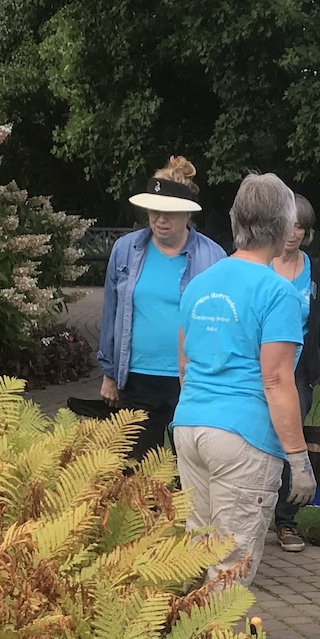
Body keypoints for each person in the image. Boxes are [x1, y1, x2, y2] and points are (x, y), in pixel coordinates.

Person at [172, 172, 316, 584]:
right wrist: (300, 461)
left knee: (196, 551)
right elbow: (276, 382)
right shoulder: (279, 293)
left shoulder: (199, 284)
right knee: (230, 567)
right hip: (243, 438)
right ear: (285, 227)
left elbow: (184, 367)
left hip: (190, 427)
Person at [97, 156, 225, 456]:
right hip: (137, 381)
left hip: (192, 382)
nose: (160, 220)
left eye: (168, 212)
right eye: (154, 211)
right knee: (138, 478)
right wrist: (109, 374)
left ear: (186, 214)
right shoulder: (125, 251)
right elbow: (111, 312)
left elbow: (222, 325)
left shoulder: (214, 258)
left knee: (190, 474)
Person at [271, 193, 320, 552]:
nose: (293, 233)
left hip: (299, 370)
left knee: (291, 444)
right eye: (288, 224)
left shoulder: (315, 269)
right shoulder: (261, 265)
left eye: (301, 226)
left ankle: (286, 521)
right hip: (262, 367)